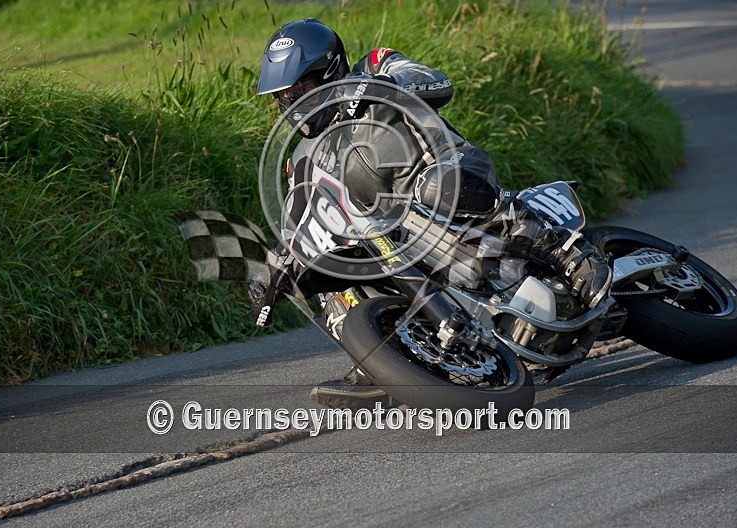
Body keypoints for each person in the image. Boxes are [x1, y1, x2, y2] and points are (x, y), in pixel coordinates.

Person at [250, 18, 612, 408]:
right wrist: (273, 272)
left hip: (447, 173)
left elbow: (435, 81)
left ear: (331, 69)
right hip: (396, 236)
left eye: (302, 88)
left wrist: (388, 86)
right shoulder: (303, 160)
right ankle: (382, 359)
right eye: (285, 96)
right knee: (329, 276)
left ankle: (566, 252)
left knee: (434, 186)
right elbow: (298, 223)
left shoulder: (373, 67)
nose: (293, 103)